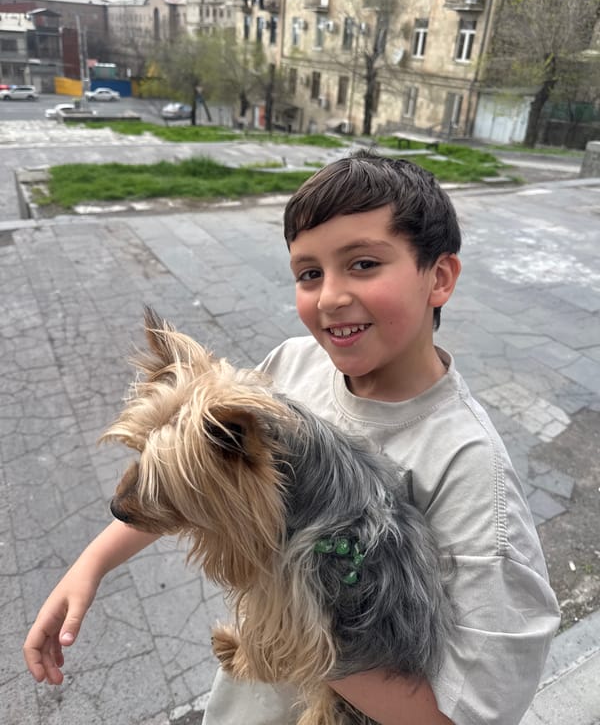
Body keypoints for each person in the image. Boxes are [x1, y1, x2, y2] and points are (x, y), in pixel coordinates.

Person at [23, 152, 560, 724]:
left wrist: (293, 627)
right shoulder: (293, 366)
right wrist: (93, 562)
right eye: (309, 273)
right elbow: (193, 474)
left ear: (440, 277)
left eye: (363, 264)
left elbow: (469, 716)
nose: (329, 297)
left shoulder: (471, 472)